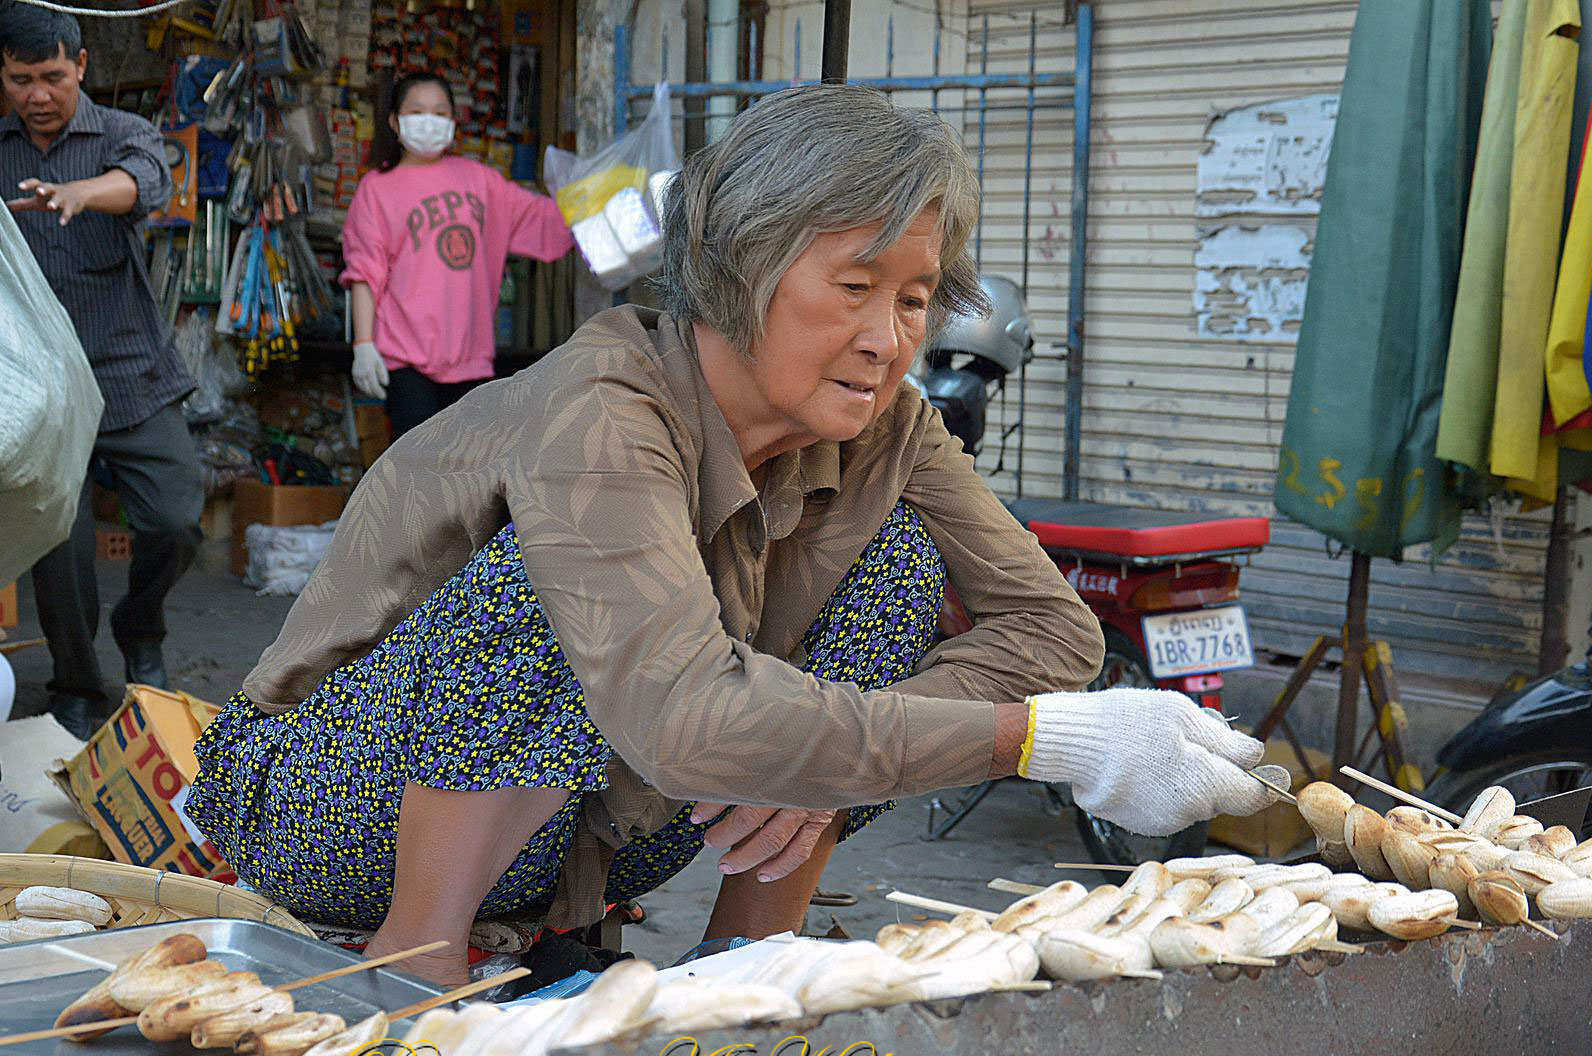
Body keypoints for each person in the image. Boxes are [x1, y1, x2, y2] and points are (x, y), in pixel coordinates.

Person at [186, 85, 1277, 988]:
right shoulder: (603, 407)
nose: (886, 339)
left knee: (893, 565)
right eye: (854, 289)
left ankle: (747, 957)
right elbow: (685, 715)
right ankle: (414, 964)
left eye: (912, 299)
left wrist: (812, 766)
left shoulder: (890, 425)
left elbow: (1051, 628)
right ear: (740, 266)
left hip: (595, 825)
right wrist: (1046, 742)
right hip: (329, 802)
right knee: (555, 584)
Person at [0, 3, 203, 740]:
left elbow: (148, 183)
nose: (37, 94)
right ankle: (76, 682)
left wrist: (79, 192)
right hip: (39, 393)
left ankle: (143, 629)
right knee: (57, 548)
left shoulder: (124, 134)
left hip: (131, 373)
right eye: (20, 79)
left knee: (177, 519)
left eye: (52, 76)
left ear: (81, 66)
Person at [343, 72, 575, 443]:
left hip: (471, 357)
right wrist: (364, 344)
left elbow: (546, 220)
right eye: (417, 111)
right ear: (394, 121)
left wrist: (600, 206)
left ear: (453, 121)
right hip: (407, 360)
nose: (429, 120)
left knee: (469, 481)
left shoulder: (481, 181)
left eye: (439, 112)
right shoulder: (377, 189)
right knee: (420, 477)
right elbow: (364, 272)